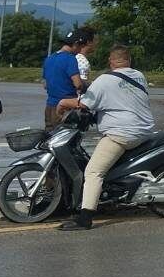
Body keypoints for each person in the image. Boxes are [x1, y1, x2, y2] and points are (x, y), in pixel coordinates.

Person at [54, 45, 157, 229]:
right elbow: (120, 98)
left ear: (110, 61)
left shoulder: (105, 80)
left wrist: (62, 103)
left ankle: (85, 218)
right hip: (143, 131)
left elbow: (84, 104)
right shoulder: (139, 75)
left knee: (93, 172)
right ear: (129, 60)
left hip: (121, 135)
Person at [42, 27, 92, 130]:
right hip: (65, 108)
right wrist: (88, 86)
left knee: (50, 137)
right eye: (80, 47)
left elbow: (45, 85)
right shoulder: (70, 59)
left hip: (50, 107)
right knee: (67, 139)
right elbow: (78, 84)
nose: (79, 51)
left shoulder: (49, 58)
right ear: (76, 44)